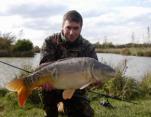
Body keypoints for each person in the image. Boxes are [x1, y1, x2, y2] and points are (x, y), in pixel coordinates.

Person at [40, 10, 98, 117]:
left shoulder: (88, 47)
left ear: (81, 28)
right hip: (52, 88)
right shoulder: (50, 41)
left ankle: (65, 106)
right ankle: (56, 108)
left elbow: (95, 76)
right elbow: (44, 67)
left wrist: (96, 82)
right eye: (68, 27)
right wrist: (44, 82)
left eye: (76, 28)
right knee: (50, 110)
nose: (72, 32)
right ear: (62, 26)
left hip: (76, 91)